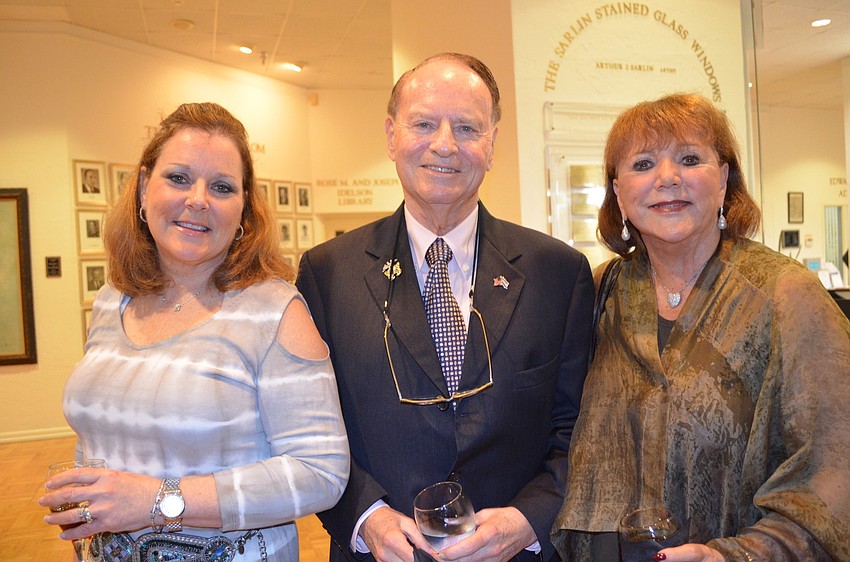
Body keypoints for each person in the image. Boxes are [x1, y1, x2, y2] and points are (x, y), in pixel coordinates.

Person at [296, 53, 594, 562]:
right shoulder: (328, 273)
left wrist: (527, 521)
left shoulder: (558, 273)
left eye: (467, 127)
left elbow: (582, 431)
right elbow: (312, 430)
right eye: (424, 124)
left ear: (492, 143)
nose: (444, 145)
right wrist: (366, 518)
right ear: (391, 135)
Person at [40, 102, 350, 561]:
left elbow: (320, 472)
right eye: (179, 178)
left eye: (222, 187)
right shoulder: (113, 298)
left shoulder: (274, 310)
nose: (198, 199)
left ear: (243, 210)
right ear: (145, 187)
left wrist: (155, 500)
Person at [552, 93, 850, 561]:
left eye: (690, 159)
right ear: (618, 192)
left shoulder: (786, 296)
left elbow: (835, 466)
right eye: (644, 163)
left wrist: (736, 555)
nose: (667, 178)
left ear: (724, 177)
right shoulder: (598, 293)